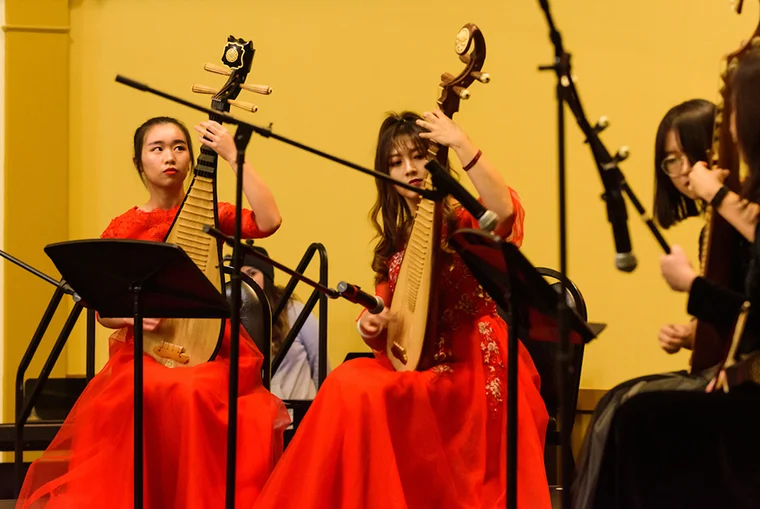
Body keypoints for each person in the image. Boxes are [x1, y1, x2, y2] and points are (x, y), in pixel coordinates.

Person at [255, 109, 550, 509]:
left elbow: (502, 210)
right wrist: (371, 325)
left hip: (474, 365)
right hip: (422, 363)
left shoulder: (463, 218)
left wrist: (460, 142)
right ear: (386, 177)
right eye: (396, 163)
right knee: (348, 382)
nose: (410, 169)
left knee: (363, 390)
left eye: (419, 156)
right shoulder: (395, 244)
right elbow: (385, 315)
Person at [16, 116, 290, 509]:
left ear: (191, 160)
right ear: (139, 162)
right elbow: (103, 309)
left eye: (179, 147)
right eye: (157, 148)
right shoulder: (124, 227)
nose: (170, 157)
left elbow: (269, 221)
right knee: (140, 392)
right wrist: (132, 316)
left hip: (211, 348)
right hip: (143, 353)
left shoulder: (211, 214)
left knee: (197, 391)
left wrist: (234, 157)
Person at [589, 49, 760, 509]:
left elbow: (750, 314)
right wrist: (694, 332)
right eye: (671, 161)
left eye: (696, 154)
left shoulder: (743, 214)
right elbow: (748, 314)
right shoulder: (721, 223)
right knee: (616, 404)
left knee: (632, 412)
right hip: (738, 374)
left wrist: (692, 287)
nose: (686, 171)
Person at [240, 246, 327, 400]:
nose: (247, 281)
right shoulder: (238, 318)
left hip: (300, 413)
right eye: (241, 276)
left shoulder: (295, 311)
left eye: (252, 273)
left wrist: (323, 408)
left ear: (266, 277)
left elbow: (319, 361)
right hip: (263, 416)